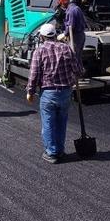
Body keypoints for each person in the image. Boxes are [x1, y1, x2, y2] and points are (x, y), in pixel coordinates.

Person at [26, 23, 81, 164]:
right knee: (61, 122)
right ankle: (60, 150)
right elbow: (77, 70)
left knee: (49, 123)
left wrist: (30, 91)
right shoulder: (66, 48)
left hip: (48, 93)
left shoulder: (39, 51)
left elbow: (34, 74)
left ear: (42, 36)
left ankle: (51, 153)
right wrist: (75, 77)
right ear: (55, 35)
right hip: (66, 92)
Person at [58, 0, 87, 68]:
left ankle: (74, 75)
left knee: (73, 56)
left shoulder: (70, 11)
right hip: (81, 35)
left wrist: (65, 34)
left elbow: (70, 25)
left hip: (75, 37)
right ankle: (80, 73)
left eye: (61, 4)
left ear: (63, 3)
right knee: (78, 56)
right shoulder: (77, 8)